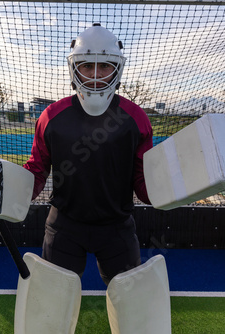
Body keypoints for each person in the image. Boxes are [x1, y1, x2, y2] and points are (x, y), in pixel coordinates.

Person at [23, 23, 153, 285]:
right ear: (75, 68)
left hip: (117, 227)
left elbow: (143, 185)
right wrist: (5, 194)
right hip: (64, 226)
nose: (95, 75)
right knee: (53, 302)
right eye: (87, 66)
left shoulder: (136, 118)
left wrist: (173, 190)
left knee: (131, 304)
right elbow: (36, 170)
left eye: (104, 66)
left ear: (117, 69)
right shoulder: (51, 117)